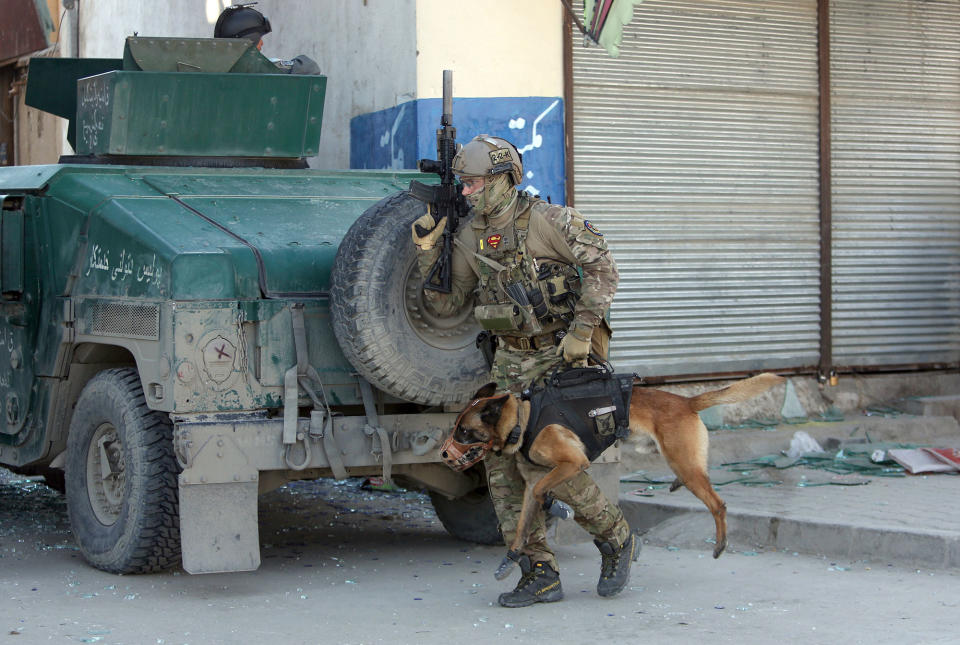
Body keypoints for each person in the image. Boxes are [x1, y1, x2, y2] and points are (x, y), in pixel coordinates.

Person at [411, 135, 637, 608]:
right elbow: (448, 304)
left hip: (559, 359)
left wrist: (582, 330)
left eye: (474, 183)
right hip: (510, 361)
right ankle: (539, 571)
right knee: (501, 468)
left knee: (552, 462)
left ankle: (616, 538)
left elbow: (604, 270)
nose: (468, 192)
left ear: (503, 178)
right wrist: (429, 251)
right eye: (464, 184)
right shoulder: (472, 234)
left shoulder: (551, 220)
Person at [214, 3, 320, 75]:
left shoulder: (209, 69)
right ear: (249, 40)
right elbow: (311, 67)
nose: (262, 43)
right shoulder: (264, 68)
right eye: (259, 38)